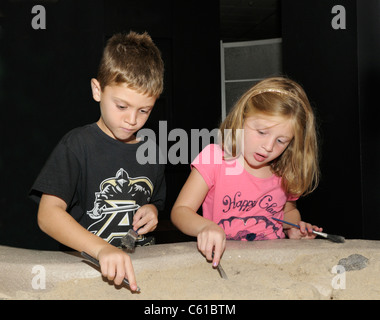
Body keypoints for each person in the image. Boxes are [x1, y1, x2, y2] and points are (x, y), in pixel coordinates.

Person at [29, 31, 165, 291]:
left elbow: (156, 200)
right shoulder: (77, 145)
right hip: (84, 274)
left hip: (138, 273)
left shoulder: (153, 152)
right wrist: (102, 250)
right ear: (97, 90)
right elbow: (47, 215)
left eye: (144, 110)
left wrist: (153, 211)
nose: (132, 120)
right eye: (122, 106)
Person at [171, 77, 321, 268]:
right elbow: (180, 211)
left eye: (281, 141)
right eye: (261, 132)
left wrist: (293, 227)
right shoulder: (215, 158)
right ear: (241, 119)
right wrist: (206, 227)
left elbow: (288, 210)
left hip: (274, 266)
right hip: (223, 264)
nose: (268, 147)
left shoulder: (286, 170)